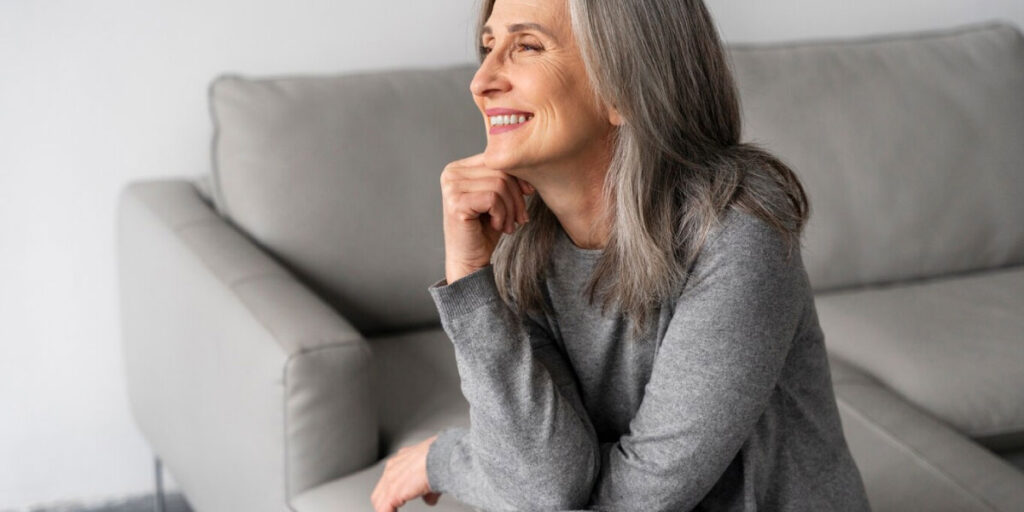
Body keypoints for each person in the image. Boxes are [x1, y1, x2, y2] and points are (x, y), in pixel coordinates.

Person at [371, 0, 872, 510]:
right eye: (487, 47)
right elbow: (546, 485)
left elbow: (634, 503)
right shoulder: (522, 245)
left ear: (623, 89)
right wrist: (469, 278)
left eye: (526, 46)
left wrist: (450, 459)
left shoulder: (738, 228)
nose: (481, 81)